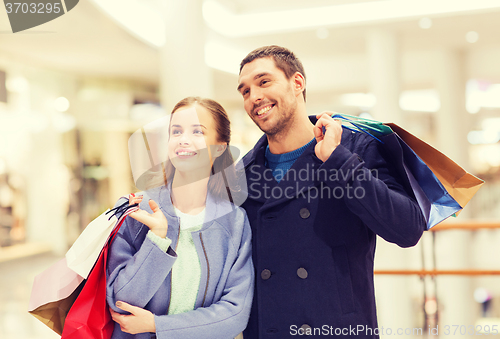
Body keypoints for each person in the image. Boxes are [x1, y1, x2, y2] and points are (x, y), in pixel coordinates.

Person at [236, 45, 426, 338]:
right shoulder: (243, 173)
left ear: (297, 83)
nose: (254, 97)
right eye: (245, 91)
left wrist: (338, 161)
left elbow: (407, 229)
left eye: (263, 82)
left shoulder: (354, 149)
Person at [106, 97, 254, 339]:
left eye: (197, 131)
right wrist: (156, 240)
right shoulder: (134, 209)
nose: (183, 139)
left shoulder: (235, 222)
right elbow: (120, 301)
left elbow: (234, 314)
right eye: (176, 131)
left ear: (219, 148)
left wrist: (157, 325)